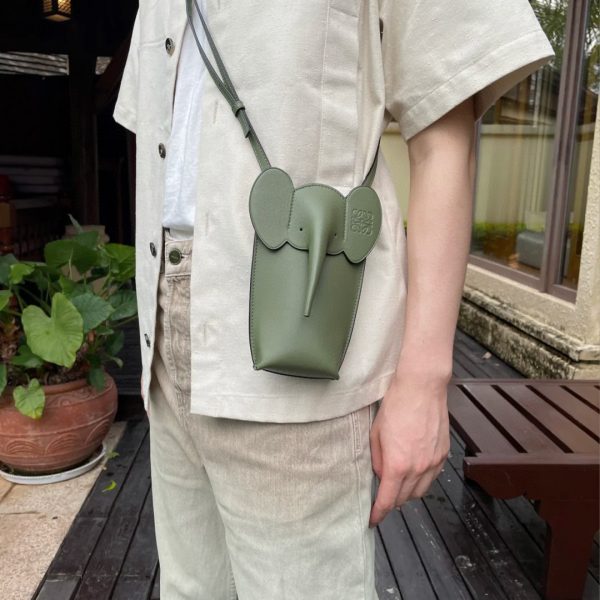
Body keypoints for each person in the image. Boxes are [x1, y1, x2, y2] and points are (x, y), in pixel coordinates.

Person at [113, 1, 554, 598]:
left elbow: (443, 134)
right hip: (164, 335)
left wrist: (424, 383)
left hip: (302, 341)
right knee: (191, 587)